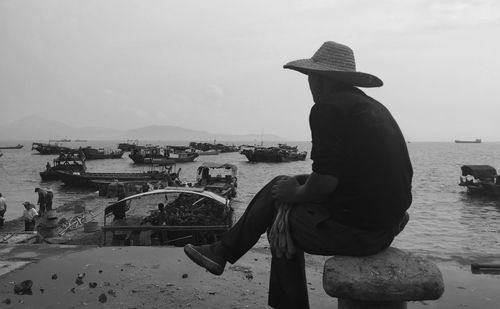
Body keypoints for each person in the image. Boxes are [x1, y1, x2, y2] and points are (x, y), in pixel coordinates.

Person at [183, 41, 413, 309]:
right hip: (388, 225)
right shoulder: (372, 107)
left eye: (311, 78)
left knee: (280, 224)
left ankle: (270, 289)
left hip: (360, 233)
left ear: (318, 78)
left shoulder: (327, 108)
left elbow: (326, 183)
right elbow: (346, 174)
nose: (310, 84)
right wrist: (298, 187)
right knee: (280, 186)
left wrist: (296, 194)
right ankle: (222, 251)